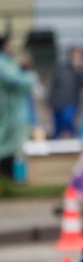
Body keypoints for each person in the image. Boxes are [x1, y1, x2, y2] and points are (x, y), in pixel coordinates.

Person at [0, 34, 34, 180]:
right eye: (9, 44)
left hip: (13, 112)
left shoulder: (8, 62)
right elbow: (16, 80)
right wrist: (27, 74)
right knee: (5, 147)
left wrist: (22, 68)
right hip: (7, 112)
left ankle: (9, 180)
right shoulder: (2, 63)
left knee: (12, 149)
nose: (11, 47)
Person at [49, 46, 83, 138]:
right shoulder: (61, 67)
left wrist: (79, 69)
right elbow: (54, 84)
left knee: (69, 122)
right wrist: (50, 101)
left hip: (71, 102)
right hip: (58, 102)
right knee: (57, 129)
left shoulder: (80, 69)